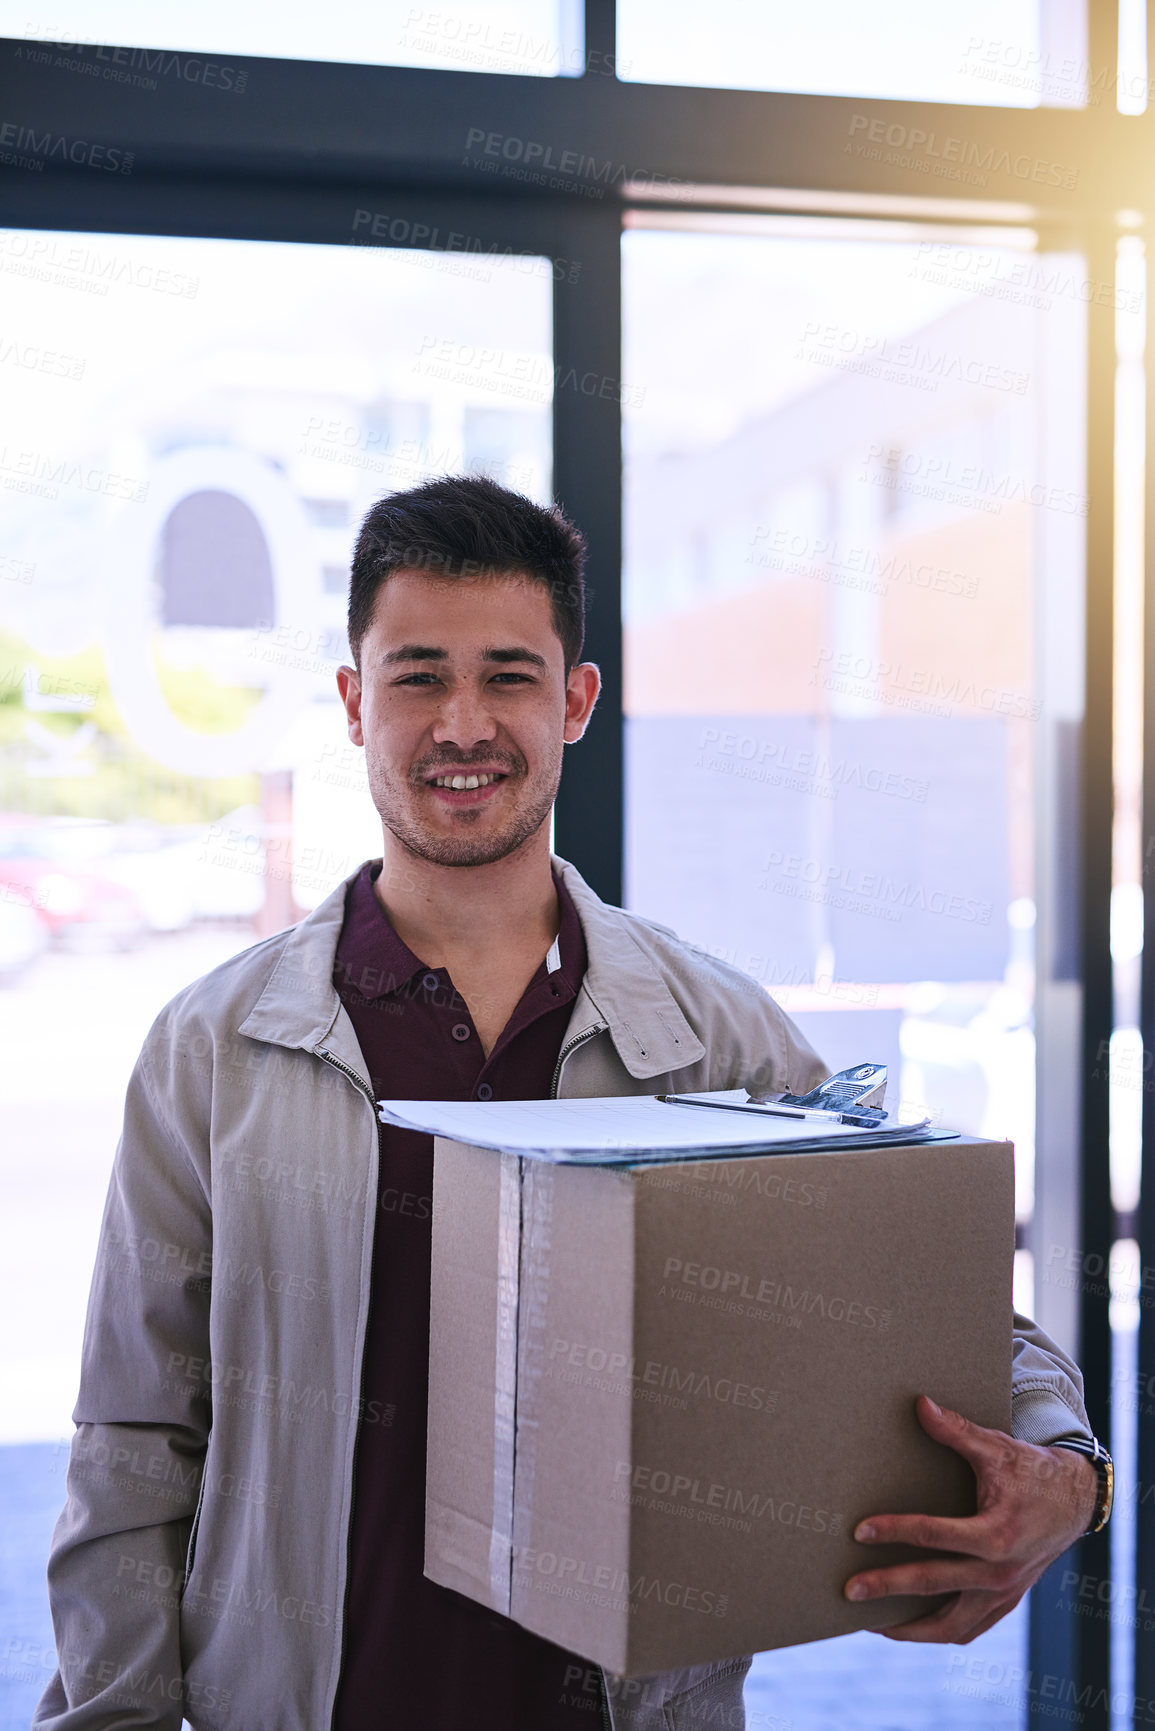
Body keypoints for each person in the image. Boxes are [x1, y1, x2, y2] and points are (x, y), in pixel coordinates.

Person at [36, 476, 1108, 1731]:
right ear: (351, 702)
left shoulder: (714, 1036)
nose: (462, 724)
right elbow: (134, 1440)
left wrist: (1072, 1477)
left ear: (576, 701)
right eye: (418, 675)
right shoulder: (214, 1052)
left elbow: (952, 1318)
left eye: (508, 676)